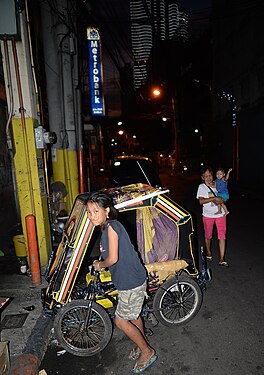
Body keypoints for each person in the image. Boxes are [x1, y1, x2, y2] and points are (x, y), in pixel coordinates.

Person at [86, 191, 157, 373]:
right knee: (133, 315)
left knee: (120, 320)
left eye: (95, 211)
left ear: (107, 211)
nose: (91, 215)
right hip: (131, 278)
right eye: (89, 212)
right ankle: (142, 344)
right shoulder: (108, 227)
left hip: (130, 281)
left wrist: (99, 265)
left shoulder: (111, 227)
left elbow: (113, 259)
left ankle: (147, 351)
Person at [196, 166, 229, 267]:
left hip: (220, 214)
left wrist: (223, 200)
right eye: (206, 176)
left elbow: (225, 194)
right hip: (208, 215)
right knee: (208, 236)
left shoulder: (218, 184)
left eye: (210, 175)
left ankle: (222, 258)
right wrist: (214, 198)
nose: (209, 178)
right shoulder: (201, 187)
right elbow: (201, 201)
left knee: (222, 236)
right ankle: (209, 253)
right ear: (202, 177)